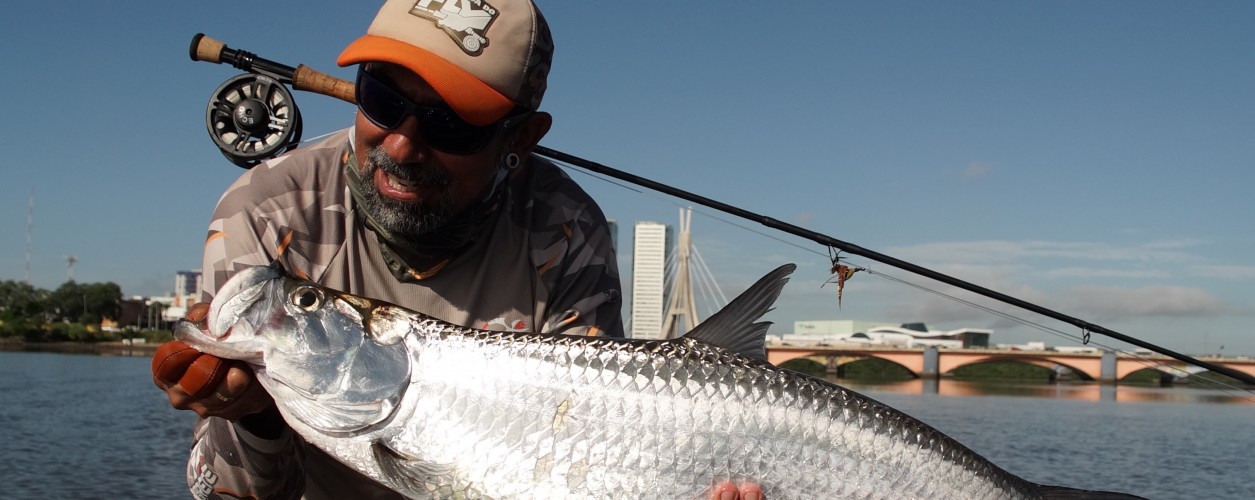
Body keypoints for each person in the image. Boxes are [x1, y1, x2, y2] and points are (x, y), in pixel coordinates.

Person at [153, 1, 761, 499]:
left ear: (521, 138)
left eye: (450, 124)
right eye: (382, 99)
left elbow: (583, 460)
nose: (401, 145)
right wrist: (253, 416)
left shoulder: (566, 229)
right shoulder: (267, 211)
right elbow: (224, 494)